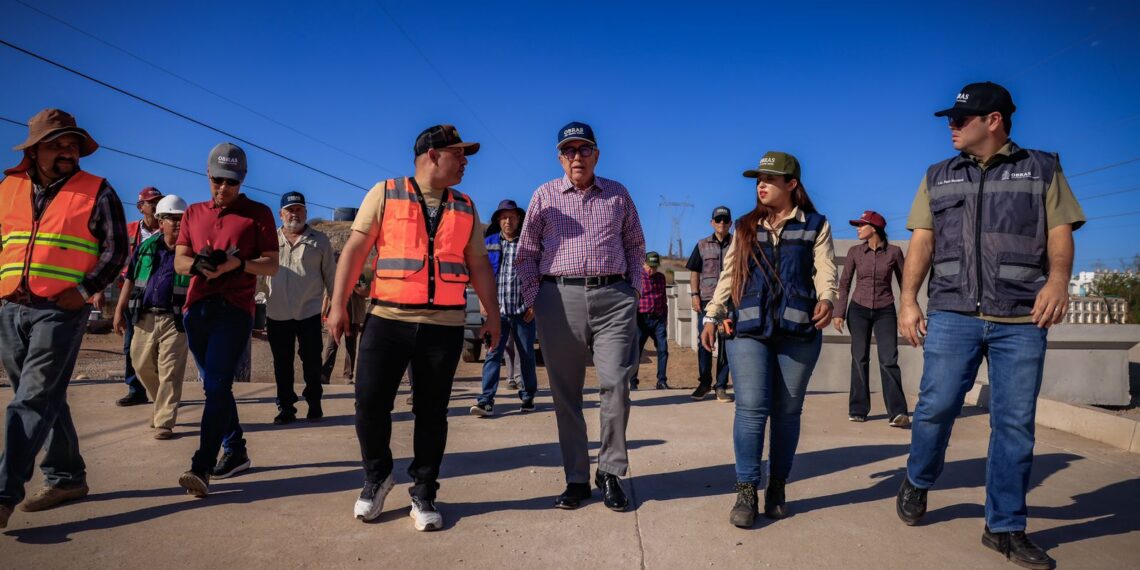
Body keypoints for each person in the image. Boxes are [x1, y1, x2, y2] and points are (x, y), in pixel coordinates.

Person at [895, 82, 1084, 570]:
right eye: (951, 119)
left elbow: (1060, 232)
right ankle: (918, 478)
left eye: (961, 119)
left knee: (1014, 424)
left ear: (994, 120)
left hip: (1020, 317)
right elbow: (922, 242)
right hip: (953, 312)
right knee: (935, 407)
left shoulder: (1042, 168)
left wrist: (1058, 282)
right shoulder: (938, 175)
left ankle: (1004, 527)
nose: (951, 126)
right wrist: (908, 301)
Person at [326, 125, 498, 532]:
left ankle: (424, 491)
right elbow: (355, 250)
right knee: (369, 403)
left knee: (432, 413)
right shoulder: (385, 192)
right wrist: (338, 304)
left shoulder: (466, 206)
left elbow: (477, 264)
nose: (465, 162)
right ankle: (377, 477)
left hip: (444, 326)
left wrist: (492, 314)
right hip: (388, 319)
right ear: (432, 155)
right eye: (459, 153)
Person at [0, 109, 128, 528]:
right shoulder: (8, 188)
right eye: (57, 145)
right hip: (10, 307)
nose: (68, 151)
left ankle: (4, 492)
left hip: (61, 309)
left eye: (72, 144)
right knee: (40, 396)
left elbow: (116, 250)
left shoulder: (97, 190)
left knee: (32, 398)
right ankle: (67, 476)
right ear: (34, 150)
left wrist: (84, 290)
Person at [700, 151, 837, 529]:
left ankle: (777, 486)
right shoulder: (744, 226)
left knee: (788, 412)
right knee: (751, 408)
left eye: (770, 179)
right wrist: (713, 315)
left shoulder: (815, 224)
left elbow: (825, 269)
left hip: (798, 330)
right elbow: (729, 275)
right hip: (750, 329)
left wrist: (828, 298)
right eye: (758, 180)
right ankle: (746, 489)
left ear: (791, 184)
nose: (761, 185)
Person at [516, 121, 645, 512]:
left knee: (616, 385)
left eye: (584, 149)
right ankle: (576, 477)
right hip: (559, 298)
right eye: (569, 150)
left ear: (596, 155)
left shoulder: (618, 194)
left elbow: (635, 246)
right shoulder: (544, 196)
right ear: (559, 158)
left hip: (614, 297)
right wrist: (536, 298)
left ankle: (610, 471)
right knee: (565, 393)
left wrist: (633, 291)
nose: (577, 157)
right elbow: (526, 253)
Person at [173, 143, 279, 498]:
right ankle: (236, 450)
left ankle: (201, 466)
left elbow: (272, 265)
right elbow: (180, 259)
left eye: (231, 181)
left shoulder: (258, 214)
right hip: (197, 310)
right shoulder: (193, 213)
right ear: (208, 174)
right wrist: (198, 264)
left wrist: (239, 264)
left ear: (242, 179)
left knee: (217, 385)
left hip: (234, 310)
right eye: (218, 180)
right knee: (215, 386)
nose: (223, 187)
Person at [113, 195, 191, 440]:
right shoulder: (146, 248)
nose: (176, 223)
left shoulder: (191, 250)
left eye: (180, 218)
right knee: (140, 364)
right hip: (144, 316)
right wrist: (119, 309)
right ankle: (161, 406)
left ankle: (164, 422)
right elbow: (130, 278)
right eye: (170, 218)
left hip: (175, 319)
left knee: (170, 370)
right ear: (160, 221)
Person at [832, 210, 909, 426]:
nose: (857, 229)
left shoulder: (894, 252)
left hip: (886, 310)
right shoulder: (854, 252)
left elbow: (906, 285)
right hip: (858, 310)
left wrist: (907, 311)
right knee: (860, 358)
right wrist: (839, 313)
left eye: (861, 225)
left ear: (874, 228)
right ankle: (858, 409)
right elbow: (844, 284)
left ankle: (898, 412)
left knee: (889, 359)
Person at [265, 191, 336, 424]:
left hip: (309, 312)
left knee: (312, 362)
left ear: (305, 212)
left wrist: (336, 308)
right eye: (290, 210)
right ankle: (286, 408)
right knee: (282, 364)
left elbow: (331, 277)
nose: (294, 214)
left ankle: (314, 403)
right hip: (277, 312)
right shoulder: (269, 240)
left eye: (299, 209)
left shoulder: (320, 241)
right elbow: (259, 275)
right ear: (281, 214)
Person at [471, 199, 539, 417]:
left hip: (523, 313)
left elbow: (541, 275)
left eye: (511, 217)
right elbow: (479, 273)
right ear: (498, 221)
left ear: (519, 219)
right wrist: (482, 302)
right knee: (492, 355)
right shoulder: (488, 242)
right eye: (503, 218)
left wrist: (534, 304)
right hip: (496, 314)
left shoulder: (530, 244)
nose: (507, 221)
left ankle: (528, 397)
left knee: (527, 356)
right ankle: (486, 401)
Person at [116, 186, 164, 407]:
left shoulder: (167, 230)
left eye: (158, 201)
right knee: (131, 346)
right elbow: (117, 260)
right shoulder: (129, 231)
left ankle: (162, 392)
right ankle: (135, 389)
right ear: (140, 207)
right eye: (151, 202)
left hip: (160, 295)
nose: (155, 206)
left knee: (160, 347)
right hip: (134, 295)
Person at [686, 206, 734, 402]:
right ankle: (704, 383)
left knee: (726, 341)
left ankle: (721, 386)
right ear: (712, 222)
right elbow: (695, 272)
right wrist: (694, 295)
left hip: (730, 300)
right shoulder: (702, 245)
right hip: (706, 300)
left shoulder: (737, 244)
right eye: (718, 220)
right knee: (705, 340)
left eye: (725, 220)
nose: (722, 223)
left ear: (730, 223)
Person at [320, 266, 370, 384]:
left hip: (353, 317)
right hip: (336, 317)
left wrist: (353, 286)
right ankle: (324, 375)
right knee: (331, 345)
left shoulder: (361, 275)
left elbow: (366, 292)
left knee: (350, 347)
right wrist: (322, 314)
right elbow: (327, 296)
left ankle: (348, 376)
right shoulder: (334, 276)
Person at [633, 251, 669, 390]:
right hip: (641, 319)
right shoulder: (637, 277)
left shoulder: (661, 278)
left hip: (658, 319)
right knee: (636, 350)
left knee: (663, 349)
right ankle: (633, 382)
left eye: (654, 267)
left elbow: (664, 298)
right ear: (644, 264)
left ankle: (661, 381)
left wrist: (665, 318)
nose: (652, 270)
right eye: (649, 266)